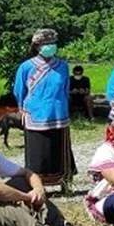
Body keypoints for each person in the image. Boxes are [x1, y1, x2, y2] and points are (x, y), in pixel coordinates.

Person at [13, 28, 74, 186]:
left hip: (59, 113)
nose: (50, 46)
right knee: (38, 152)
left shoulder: (62, 66)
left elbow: (65, 89)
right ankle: (36, 184)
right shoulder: (26, 67)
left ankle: (63, 181)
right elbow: (19, 90)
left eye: (52, 43)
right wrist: (22, 107)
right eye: (46, 44)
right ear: (38, 46)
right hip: (36, 114)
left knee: (59, 149)